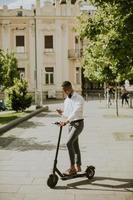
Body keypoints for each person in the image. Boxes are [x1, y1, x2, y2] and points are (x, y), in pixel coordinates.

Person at [56, 81, 84, 176]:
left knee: (68, 143)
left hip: (78, 123)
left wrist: (66, 121)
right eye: (63, 90)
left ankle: (72, 168)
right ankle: (78, 166)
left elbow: (76, 112)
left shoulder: (79, 98)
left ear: (69, 88)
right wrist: (62, 113)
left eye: (65, 90)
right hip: (71, 124)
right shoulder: (67, 100)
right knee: (75, 145)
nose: (64, 92)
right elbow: (68, 113)